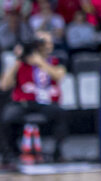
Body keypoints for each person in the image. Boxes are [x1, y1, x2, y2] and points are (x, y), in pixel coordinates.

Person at [0, 32, 68, 164]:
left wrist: (40, 62)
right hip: (24, 102)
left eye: (49, 42)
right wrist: (18, 60)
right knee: (7, 117)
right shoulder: (22, 62)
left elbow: (59, 76)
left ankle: (57, 152)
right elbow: (4, 85)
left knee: (61, 113)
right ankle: (10, 153)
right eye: (43, 42)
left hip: (46, 102)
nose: (47, 45)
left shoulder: (56, 60)